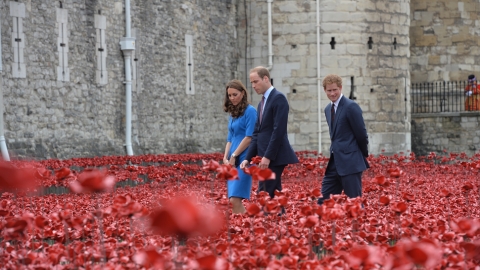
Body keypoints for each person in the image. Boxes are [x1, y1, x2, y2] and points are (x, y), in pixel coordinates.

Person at [240, 66, 299, 200]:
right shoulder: (261, 104)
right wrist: (247, 159)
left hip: (275, 157)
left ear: (266, 78)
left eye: (256, 81)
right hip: (266, 156)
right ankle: (279, 219)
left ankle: (269, 219)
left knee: (265, 193)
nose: (253, 86)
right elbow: (257, 134)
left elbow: (279, 131)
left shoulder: (278, 98)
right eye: (251, 83)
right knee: (274, 195)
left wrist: (267, 157)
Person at [317, 74, 369, 205]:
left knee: (355, 203)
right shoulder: (328, 109)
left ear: (340, 88)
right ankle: (322, 225)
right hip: (334, 164)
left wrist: (361, 155)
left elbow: (361, 134)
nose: (332, 93)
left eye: (335, 90)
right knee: (323, 202)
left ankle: (360, 226)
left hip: (351, 163)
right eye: (329, 90)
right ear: (325, 90)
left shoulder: (351, 106)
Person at [223, 79, 257, 214]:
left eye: (235, 94)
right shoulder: (233, 113)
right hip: (232, 161)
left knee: (235, 200)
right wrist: (225, 158)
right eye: (229, 95)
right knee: (232, 201)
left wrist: (234, 155)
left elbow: (249, 137)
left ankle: (246, 228)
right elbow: (230, 138)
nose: (232, 98)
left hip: (245, 160)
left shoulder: (250, 111)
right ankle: (244, 229)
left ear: (243, 93)